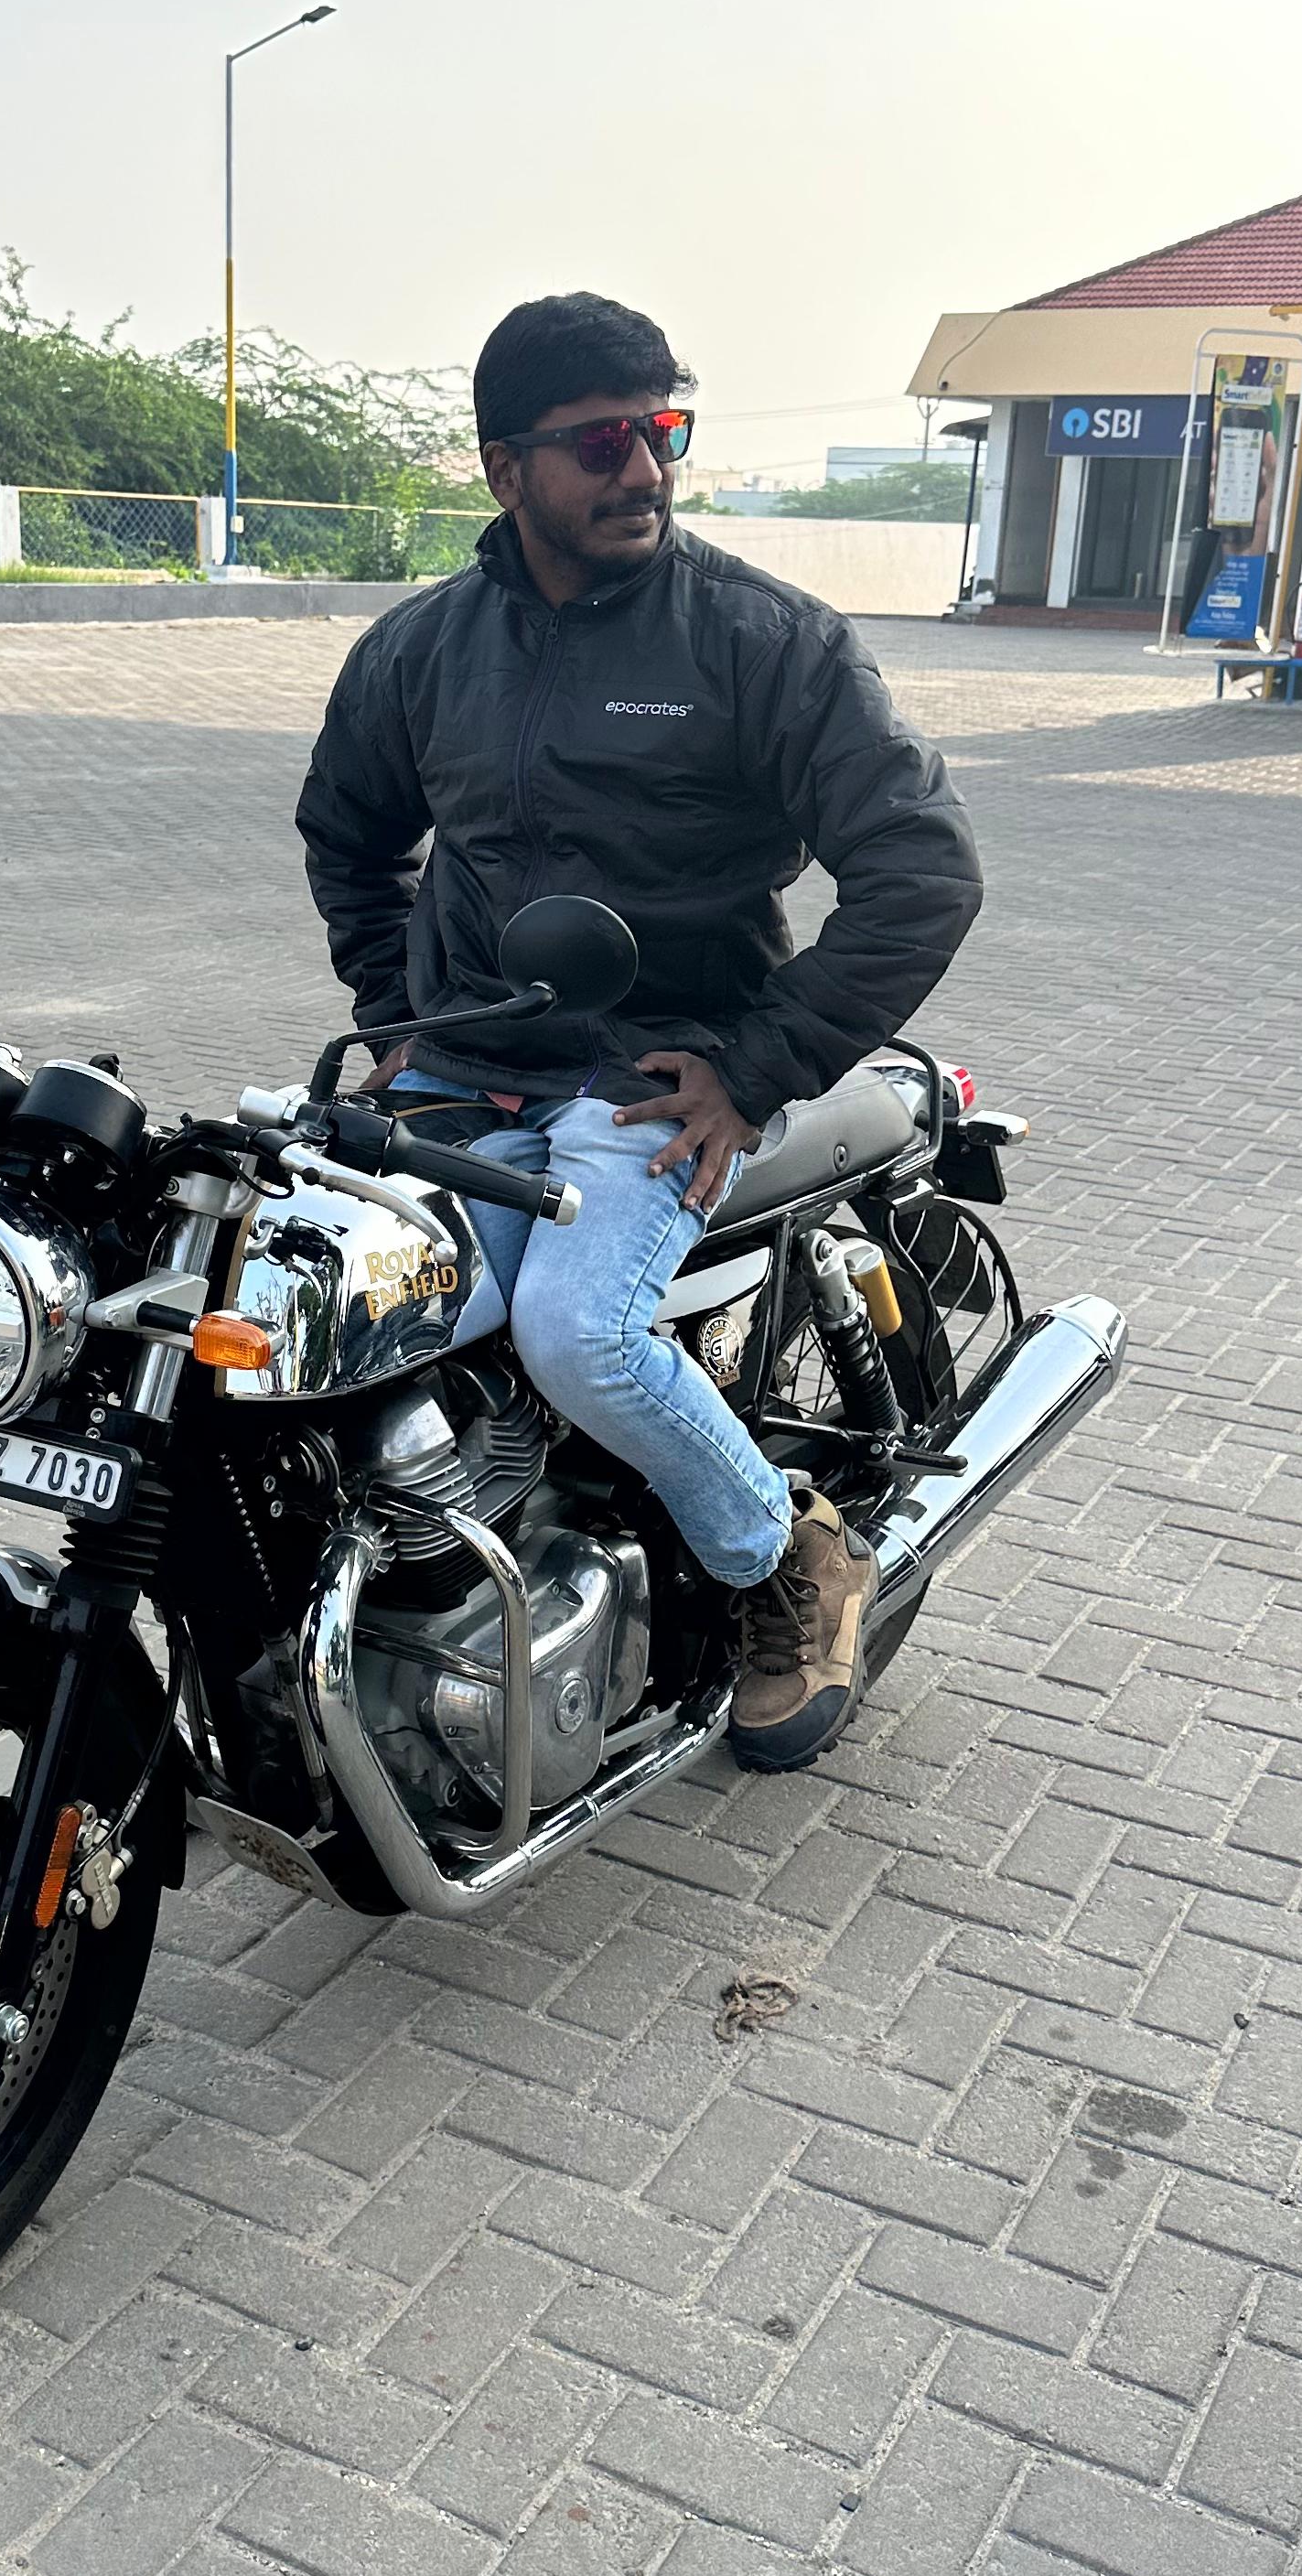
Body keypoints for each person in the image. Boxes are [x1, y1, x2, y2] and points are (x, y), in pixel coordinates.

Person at [296, 291, 982, 1771]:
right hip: (469, 1070)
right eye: (603, 441)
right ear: (505, 469)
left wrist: (756, 1064)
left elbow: (923, 869)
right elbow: (348, 838)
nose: (647, 468)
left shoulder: (760, 641)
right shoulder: (423, 650)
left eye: (663, 428)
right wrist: (398, 1017)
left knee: (576, 1330)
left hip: (660, 1072)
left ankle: (789, 1557)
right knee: (328, 1311)